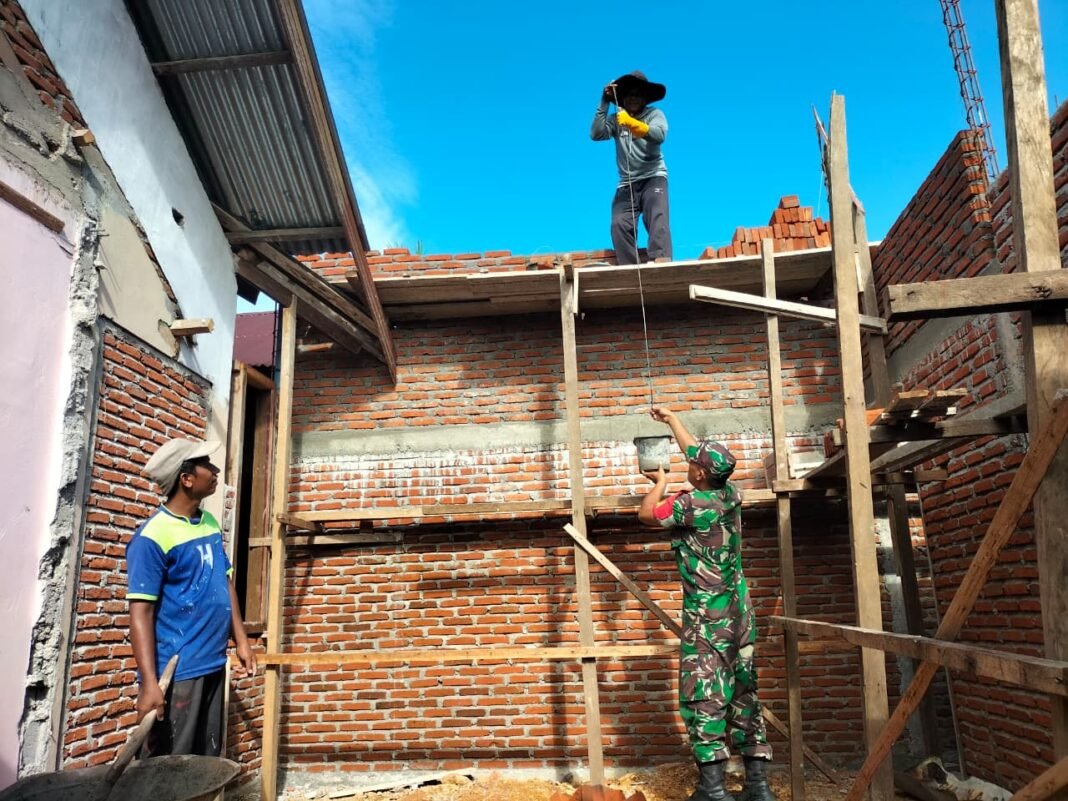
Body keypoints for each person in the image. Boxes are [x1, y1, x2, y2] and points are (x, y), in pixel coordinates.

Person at [638, 407, 775, 801]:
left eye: (692, 464)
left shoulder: (692, 506)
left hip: (708, 621)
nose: (689, 462)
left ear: (699, 474)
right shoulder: (731, 492)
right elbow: (697, 452)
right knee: (745, 695)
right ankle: (758, 787)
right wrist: (671, 419)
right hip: (741, 618)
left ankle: (713, 791)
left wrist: (661, 482)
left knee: (704, 697)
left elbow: (647, 514)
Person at [128, 437, 257, 756]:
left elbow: (224, 582)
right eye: (207, 466)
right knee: (172, 764)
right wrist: (148, 683)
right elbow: (140, 613)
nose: (215, 472)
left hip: (212, 661)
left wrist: (240, 638)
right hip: (179, 671)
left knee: (205, 759)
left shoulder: (209, 523)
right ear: (186, 479)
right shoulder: (153, 537)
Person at [590, 70, 673, 265]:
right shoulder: (617, 119)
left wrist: (634, 124)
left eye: (638, 94)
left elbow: (659, 135)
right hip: (626, 184)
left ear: (645, 97)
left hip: (653, 177)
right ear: (623, 99)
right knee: (619, 223)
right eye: (629, 94)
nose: (633, 97)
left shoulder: (655, 114)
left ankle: (661, 260)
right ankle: (629, 267)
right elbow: (596, 133)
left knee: (657, 216)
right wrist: (604, 100)